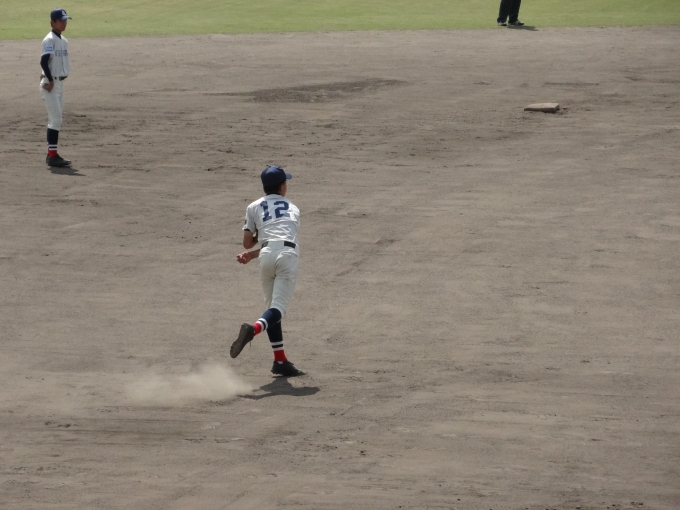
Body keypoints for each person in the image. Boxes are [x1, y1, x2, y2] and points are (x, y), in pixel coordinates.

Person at [230, 165, 305, 377]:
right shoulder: (292, 208)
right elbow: (283, 236)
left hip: (265, 256)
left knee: (271, 309)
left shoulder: (253, 207)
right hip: (287, 255)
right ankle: (253, 329)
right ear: (282, 186)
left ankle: (280, 361)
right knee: (278, 309)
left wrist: (252, 250)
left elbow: (248, 243)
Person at [40, 8, 72, 168]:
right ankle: (52, 157)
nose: (64, 23)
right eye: (61, 20)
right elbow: (43, 61)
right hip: (50, 84)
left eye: (65, 20)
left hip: (59, 84)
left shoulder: (63, 40)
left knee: (55, 120)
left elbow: (52, 62)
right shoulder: (49, 39)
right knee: (56, 119)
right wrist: (50, 79)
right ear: (52, 22)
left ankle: (51, 154)